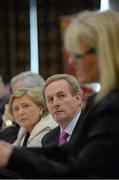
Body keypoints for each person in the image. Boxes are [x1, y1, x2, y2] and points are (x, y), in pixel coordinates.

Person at [0, 9, 119, 178]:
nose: (71, 61)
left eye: (77, 54)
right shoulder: (100, 101)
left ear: (102, 52)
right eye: (50, 99)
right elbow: (69, 153)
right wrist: (10, 151)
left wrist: (12, 157)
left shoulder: (112, 107)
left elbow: (82, 173)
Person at [0, 71, 46, 143]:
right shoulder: (24, 125)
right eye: (14, 93)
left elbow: (10, 149)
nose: (16, 99)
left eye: (21, 93)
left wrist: (8, 122)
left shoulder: (46, 126)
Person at [41, 74, 82, 147]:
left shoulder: (93, 130)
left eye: (61, 96)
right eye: (50, 99)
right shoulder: (47, 140)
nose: (55, 104)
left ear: (78, 98)